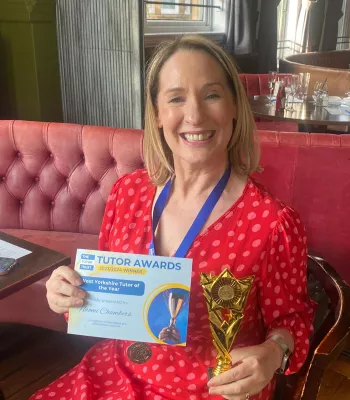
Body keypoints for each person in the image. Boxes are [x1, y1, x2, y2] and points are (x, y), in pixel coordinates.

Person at [32, 35, 315, 400]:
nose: (194, 115)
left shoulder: (272, 223)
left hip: (211, 391)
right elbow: (103, 295)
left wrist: (274, 352)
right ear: (157, 114)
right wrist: (68, 295)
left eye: (211, 94)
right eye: (176, 98)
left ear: (234, 107)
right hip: (118, 372)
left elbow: (295, 319)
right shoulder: (128, 193)